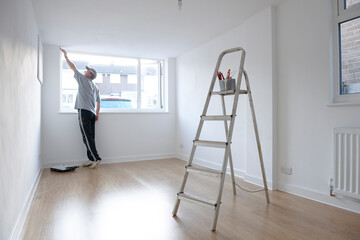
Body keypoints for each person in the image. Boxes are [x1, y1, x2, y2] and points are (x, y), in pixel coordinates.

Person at [60, 48, 102, 169]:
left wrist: (66, 56)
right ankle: (90, 158)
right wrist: (97, 114)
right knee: (89, 137)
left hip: (83, 111)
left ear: (89, 75)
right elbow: (99, 101)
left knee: (87, 137)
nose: (85, 71)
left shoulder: (83, 79)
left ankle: (96, 158)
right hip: (92, 113)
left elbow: (73, 67)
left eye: (87, 71)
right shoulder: (95, 86)